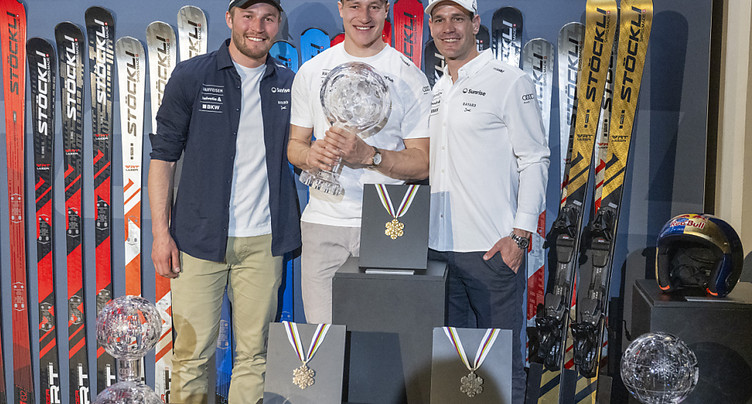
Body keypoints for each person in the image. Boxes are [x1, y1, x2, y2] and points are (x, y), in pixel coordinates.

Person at [148, 0, 301, 402]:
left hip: (263, 242)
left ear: (277, 24)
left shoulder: (289, 83)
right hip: (198, 241)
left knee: (255, 356)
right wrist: (161, 234)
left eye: (268, 18)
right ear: (230, 18)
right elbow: (163, 157)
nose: (257, 27)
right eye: (248, 16)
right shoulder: (191, 76)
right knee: (191, 356)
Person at [425, 0, 550, 402]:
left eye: (457, 18)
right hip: (439, 252)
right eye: (439, 19)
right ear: (431, 27)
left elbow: (535, 159)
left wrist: (520, 236)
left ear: (475, 23)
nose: (448, 28)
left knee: (500, 366)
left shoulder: (509, 81)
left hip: (492, 252)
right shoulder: (438, 89)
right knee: (453, 369)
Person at [287, 0, 432, 324]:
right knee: (323, 340)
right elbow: (294, 146)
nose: (364, 17)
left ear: (386, 10)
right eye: (355, 5)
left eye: (373, 6)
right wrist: (309, 156)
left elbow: (423, 163)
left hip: (387, 225)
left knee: (382, 339)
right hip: (323, 222)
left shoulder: (409, 77)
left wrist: (370, 156)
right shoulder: (312, 71)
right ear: (340, 8)